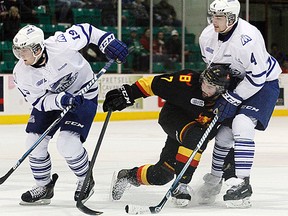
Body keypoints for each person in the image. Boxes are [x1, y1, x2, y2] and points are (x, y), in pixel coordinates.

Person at [12, 23, 128, 205]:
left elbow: (88, 30)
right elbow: (39, 101)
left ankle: (85, 179)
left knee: (67, 144)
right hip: (53, 99)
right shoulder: (21, 73)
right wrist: (60, 100)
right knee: (34, 141)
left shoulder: (61, 44)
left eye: (24, 50)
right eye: (17, 51)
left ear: (37, 49)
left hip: (83, 94)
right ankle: (44, 187)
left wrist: (107, 42)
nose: (20, 55)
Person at [102, 64, 234, 207]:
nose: (204, 88)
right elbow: (154, 84)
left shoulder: (228, 102)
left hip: (191, 138)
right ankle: (181, 184)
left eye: (210, 87)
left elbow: (230, 136)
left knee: (162, 175)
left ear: (220, 90)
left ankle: (128, 176)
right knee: (197, 135)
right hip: (173, 118)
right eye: (205, 83)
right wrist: (127, 94)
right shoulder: (187, 81)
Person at [197, 0, 282, 208]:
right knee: (224, 133)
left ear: (232, 18)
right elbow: (216, 69)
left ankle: (242, 183)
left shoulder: (249, 38)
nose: (214, 21)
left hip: (263, 83)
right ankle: (215, 180)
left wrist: (232, 98)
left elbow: (257, 79)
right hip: (236, 81)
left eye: (219, 17)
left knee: (242, 124)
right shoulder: (206, 36)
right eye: (213, 16)